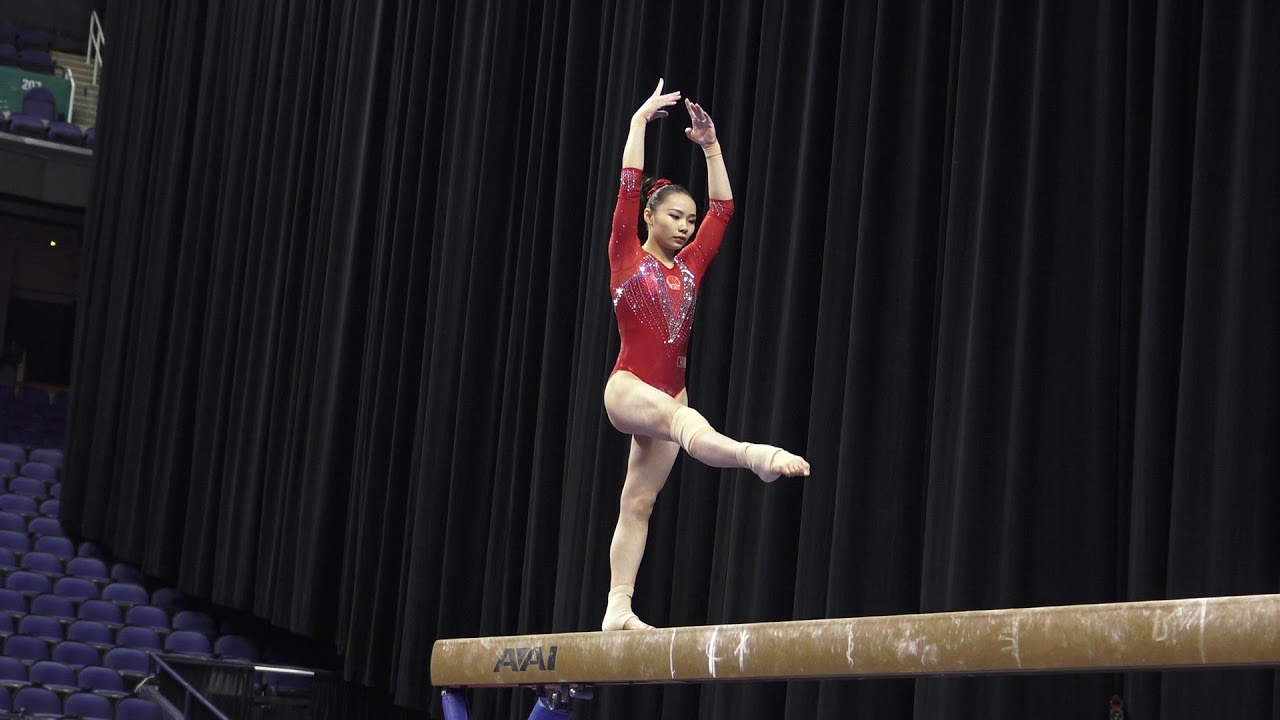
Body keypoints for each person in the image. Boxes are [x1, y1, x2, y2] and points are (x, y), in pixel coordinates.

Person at [601, 80, 810, 631]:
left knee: (638, 503)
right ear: (650, 216)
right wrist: (639, 123)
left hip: (671, 389)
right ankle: (752, 456)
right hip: (627, 387)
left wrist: (712, 147)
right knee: (682, 420)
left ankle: (617, 608)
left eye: (689, 221)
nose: (687, 226)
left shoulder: (690, 267)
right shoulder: (625, 252)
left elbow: (724, 208)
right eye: (675, 217)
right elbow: (627, 185)